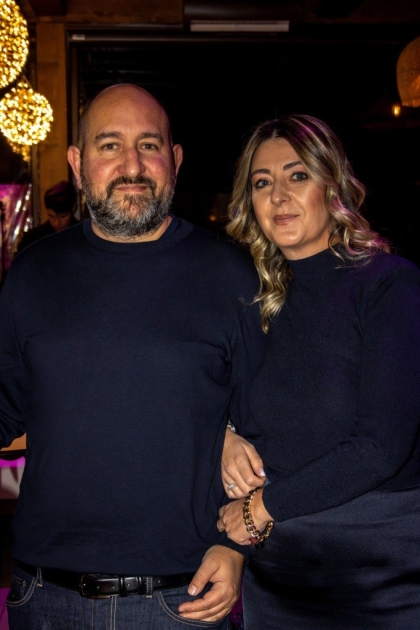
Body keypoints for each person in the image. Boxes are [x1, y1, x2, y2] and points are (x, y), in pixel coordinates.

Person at [0, 84, 266, 629]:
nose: (132, 166)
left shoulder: (230, 275)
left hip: (185, 598)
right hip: (44, 597)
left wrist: (238, 545)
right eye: (109, 145)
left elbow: (274, 425)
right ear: (77, 165)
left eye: (149, 145)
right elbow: (5, 408)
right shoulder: (32, 274)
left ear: (176, 160)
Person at [216, 114, 420, 629]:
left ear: (332, 186)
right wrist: (225, 435)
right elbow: (217, 399)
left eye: (298, 175)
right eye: (262, 183)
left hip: (379, 574)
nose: (279, 196)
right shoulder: (258, 302)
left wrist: (262, 508)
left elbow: (380, 447)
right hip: (277, 572)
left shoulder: (388, 285)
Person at [17, 180, 78, 252]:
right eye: (51, 216)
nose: (56, 223)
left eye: (63, 217)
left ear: (73, 208)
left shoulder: (82, 235)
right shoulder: (33, 239)